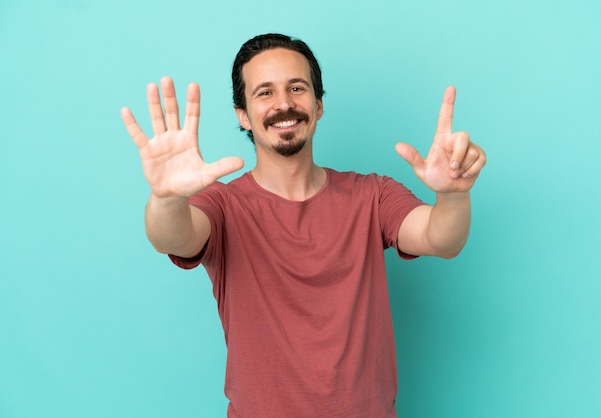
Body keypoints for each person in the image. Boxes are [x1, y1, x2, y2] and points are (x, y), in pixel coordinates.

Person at [121, 33, 486, 418]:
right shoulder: (223, 205)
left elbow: (440, 239)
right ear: (242, 114)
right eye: (264, 93)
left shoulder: (372, 195)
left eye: (297, 88)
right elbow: (172, 235)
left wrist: (454, 195)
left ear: (318, 103)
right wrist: (166, 198)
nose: (283, 104)